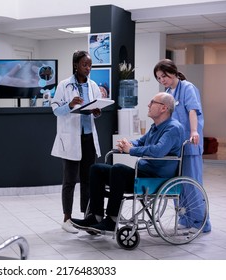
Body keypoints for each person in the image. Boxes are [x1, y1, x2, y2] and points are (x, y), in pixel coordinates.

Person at [71, 92, 184, 232]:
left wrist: (130, 150)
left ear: (163, 108)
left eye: (152, 102)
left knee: (118, 169)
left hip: (156, 179)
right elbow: (141, 141)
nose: (148, 105)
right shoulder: (155, 127)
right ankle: (96, 216)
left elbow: (158, 151)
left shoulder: (173, 128)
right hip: (143, 174)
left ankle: (112, 220)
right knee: (96, 169)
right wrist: (128, 143)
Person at [153, 58, 211, 232]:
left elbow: (192, 110)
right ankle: (186, 218)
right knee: (178, 185)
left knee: (192, 184)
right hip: (175, 146)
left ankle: (200, 223)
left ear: (174, 72)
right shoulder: (168, 92)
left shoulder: (187, 88)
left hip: (190, 144)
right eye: (159, 78)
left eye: (164, 75)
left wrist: (194, 131)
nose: (162, 80)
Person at [51, 50, 103, 233]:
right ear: (75, 65)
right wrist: (70, 105)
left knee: (88, 180)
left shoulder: (93, 85)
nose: (88, 68)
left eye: (90, 65)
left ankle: (87, 218)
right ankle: (67, 219)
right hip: (71, 138)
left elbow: (97, 106)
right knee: (70, 180)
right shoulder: (64, 86)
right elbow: (56, 110)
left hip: (88, 138)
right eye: (84, 65)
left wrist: (97, 112)